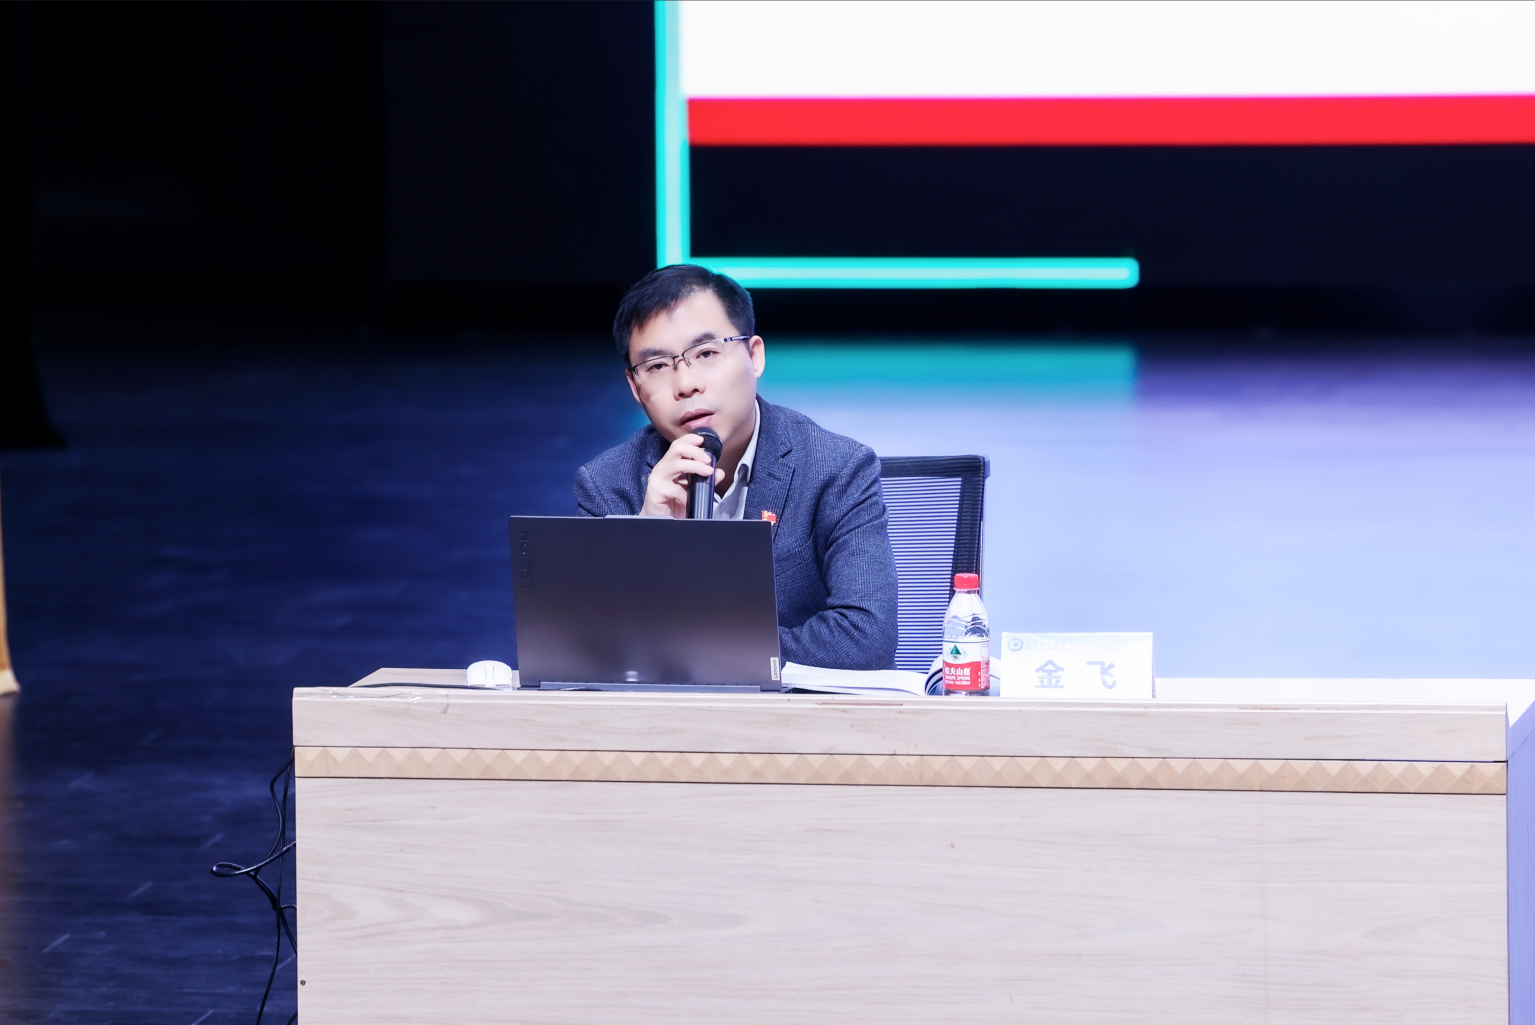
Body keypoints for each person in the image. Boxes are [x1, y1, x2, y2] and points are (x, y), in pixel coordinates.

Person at [574, 264, 898, 670]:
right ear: (635, 388)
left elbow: (866, 639)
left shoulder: (836, 468)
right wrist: (646, 540)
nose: (686, 384)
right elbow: (585, 651)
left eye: (706, 354)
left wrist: (706, 648)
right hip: (663, 711)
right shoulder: (606, 485)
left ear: (754, 356)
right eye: (657, 366)